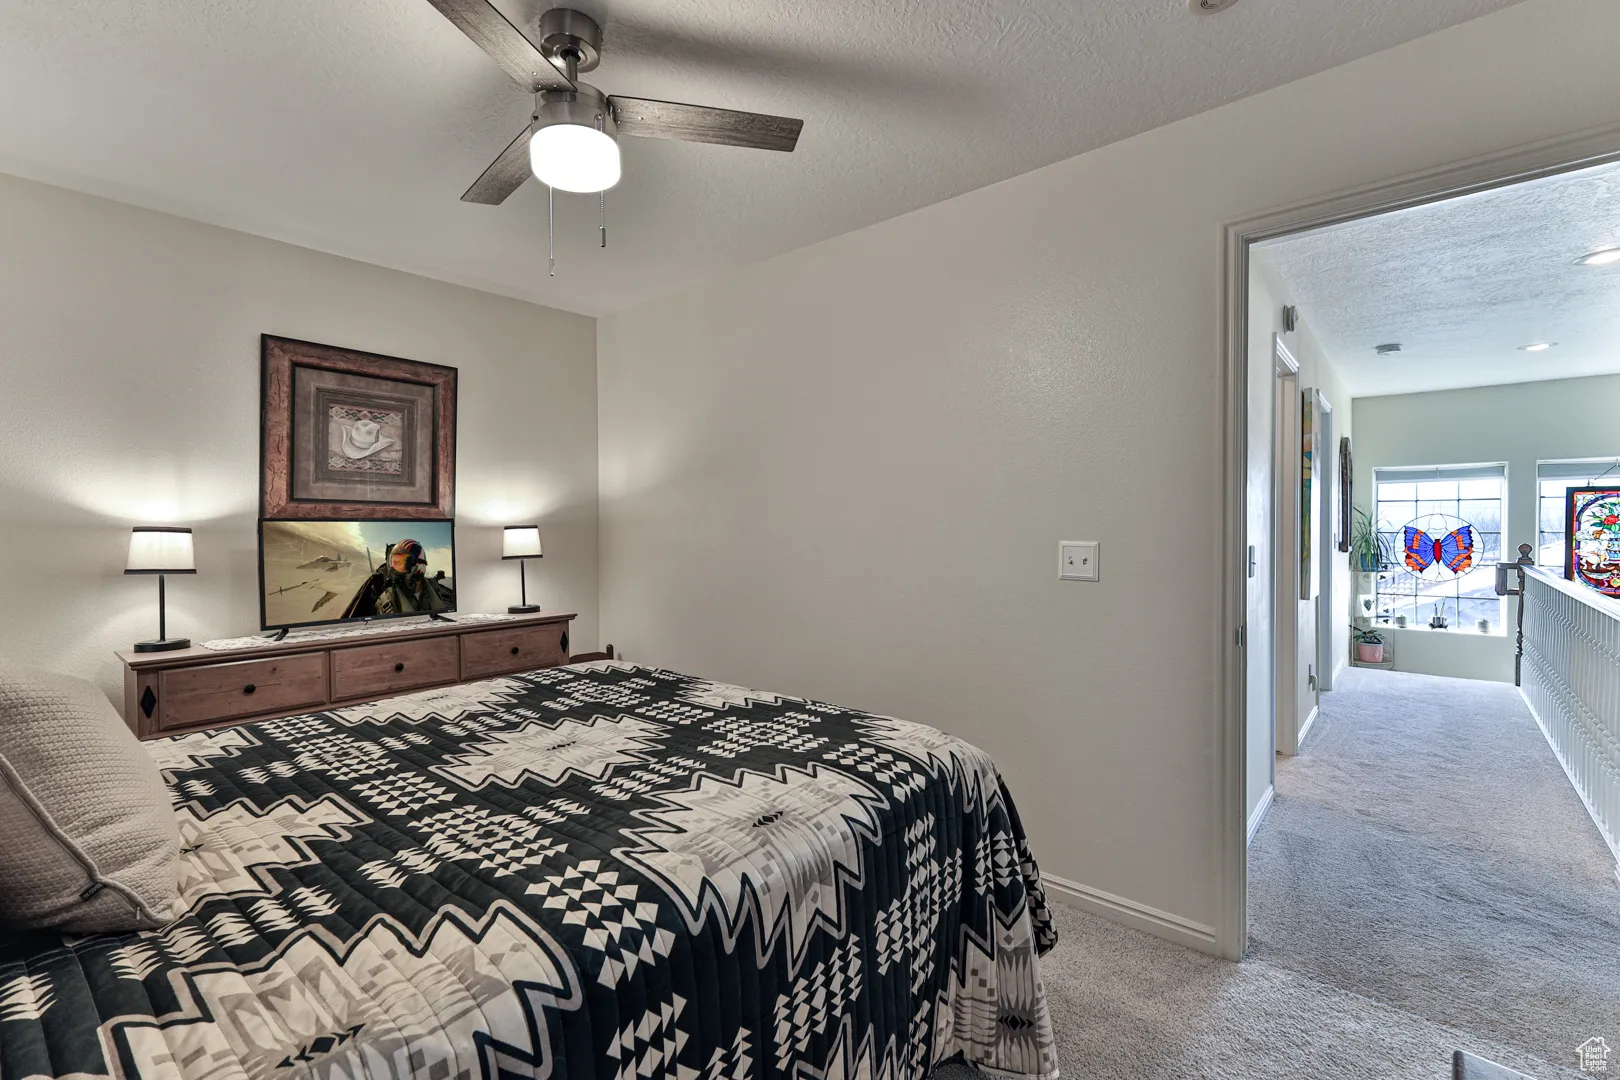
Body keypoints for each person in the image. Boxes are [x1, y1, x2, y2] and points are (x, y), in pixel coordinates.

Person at [340, 539, 454, 619]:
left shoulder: (444, 595)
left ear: (418, 566)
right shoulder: (384, 604)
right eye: (393, 562)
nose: (393, 570)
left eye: (400, 563)